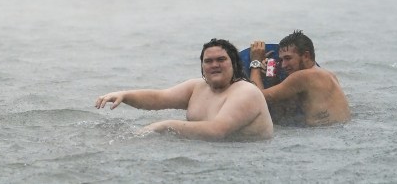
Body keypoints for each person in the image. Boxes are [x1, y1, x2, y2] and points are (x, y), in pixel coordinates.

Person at [95, 38, 273, 141]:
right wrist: (124, 95)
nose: (214, 65)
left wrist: (165, 125)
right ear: (202, 66)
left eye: (221, 59)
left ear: (234, 63)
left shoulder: (246, 92)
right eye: (208, 61)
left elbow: (217, 131)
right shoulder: (197, 87)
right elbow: (159, 98)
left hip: (245, 159)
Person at [249, 30, 351, 126]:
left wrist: (255, 63)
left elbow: (255, 97)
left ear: (306, 56)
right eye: (281, 59)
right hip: (336, 131)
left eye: (288, 58)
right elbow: (284, 108)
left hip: (321, 134)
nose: (283, 65)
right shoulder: (328, 74)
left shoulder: (303, 76)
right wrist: (273, 80)